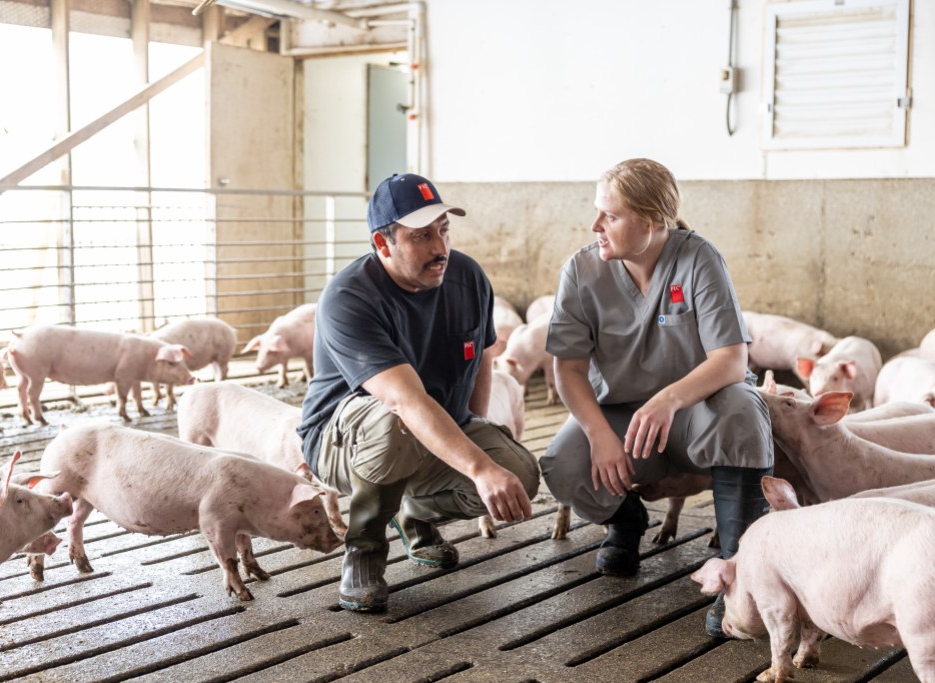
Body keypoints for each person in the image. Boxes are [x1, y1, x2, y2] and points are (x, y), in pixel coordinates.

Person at [538, 158, 773, 638]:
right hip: (623, 418)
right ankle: (627, 522)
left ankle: (739, 572)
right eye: (596, 213)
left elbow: (731, 360)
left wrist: (669, 399)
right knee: (564, 461)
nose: (595, 226)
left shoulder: (698, 259)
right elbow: (569, 369)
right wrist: (600, 435)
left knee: (744, 412)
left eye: (611, 215)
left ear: (650, 221)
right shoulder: (582, 271)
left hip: (695, 411)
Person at [297, 172, 541, 613]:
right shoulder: (350, 297)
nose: (440, 248)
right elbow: (402, 401)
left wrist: (476, 434)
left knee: (520, 472)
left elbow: (480, 362)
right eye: (422, 236)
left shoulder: (466, 277)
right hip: (344, 442)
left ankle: (410, 510)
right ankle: (364, 553)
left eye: (444, 230)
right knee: (400, 423)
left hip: (425, 430)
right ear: (383, 243)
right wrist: (479, 468)